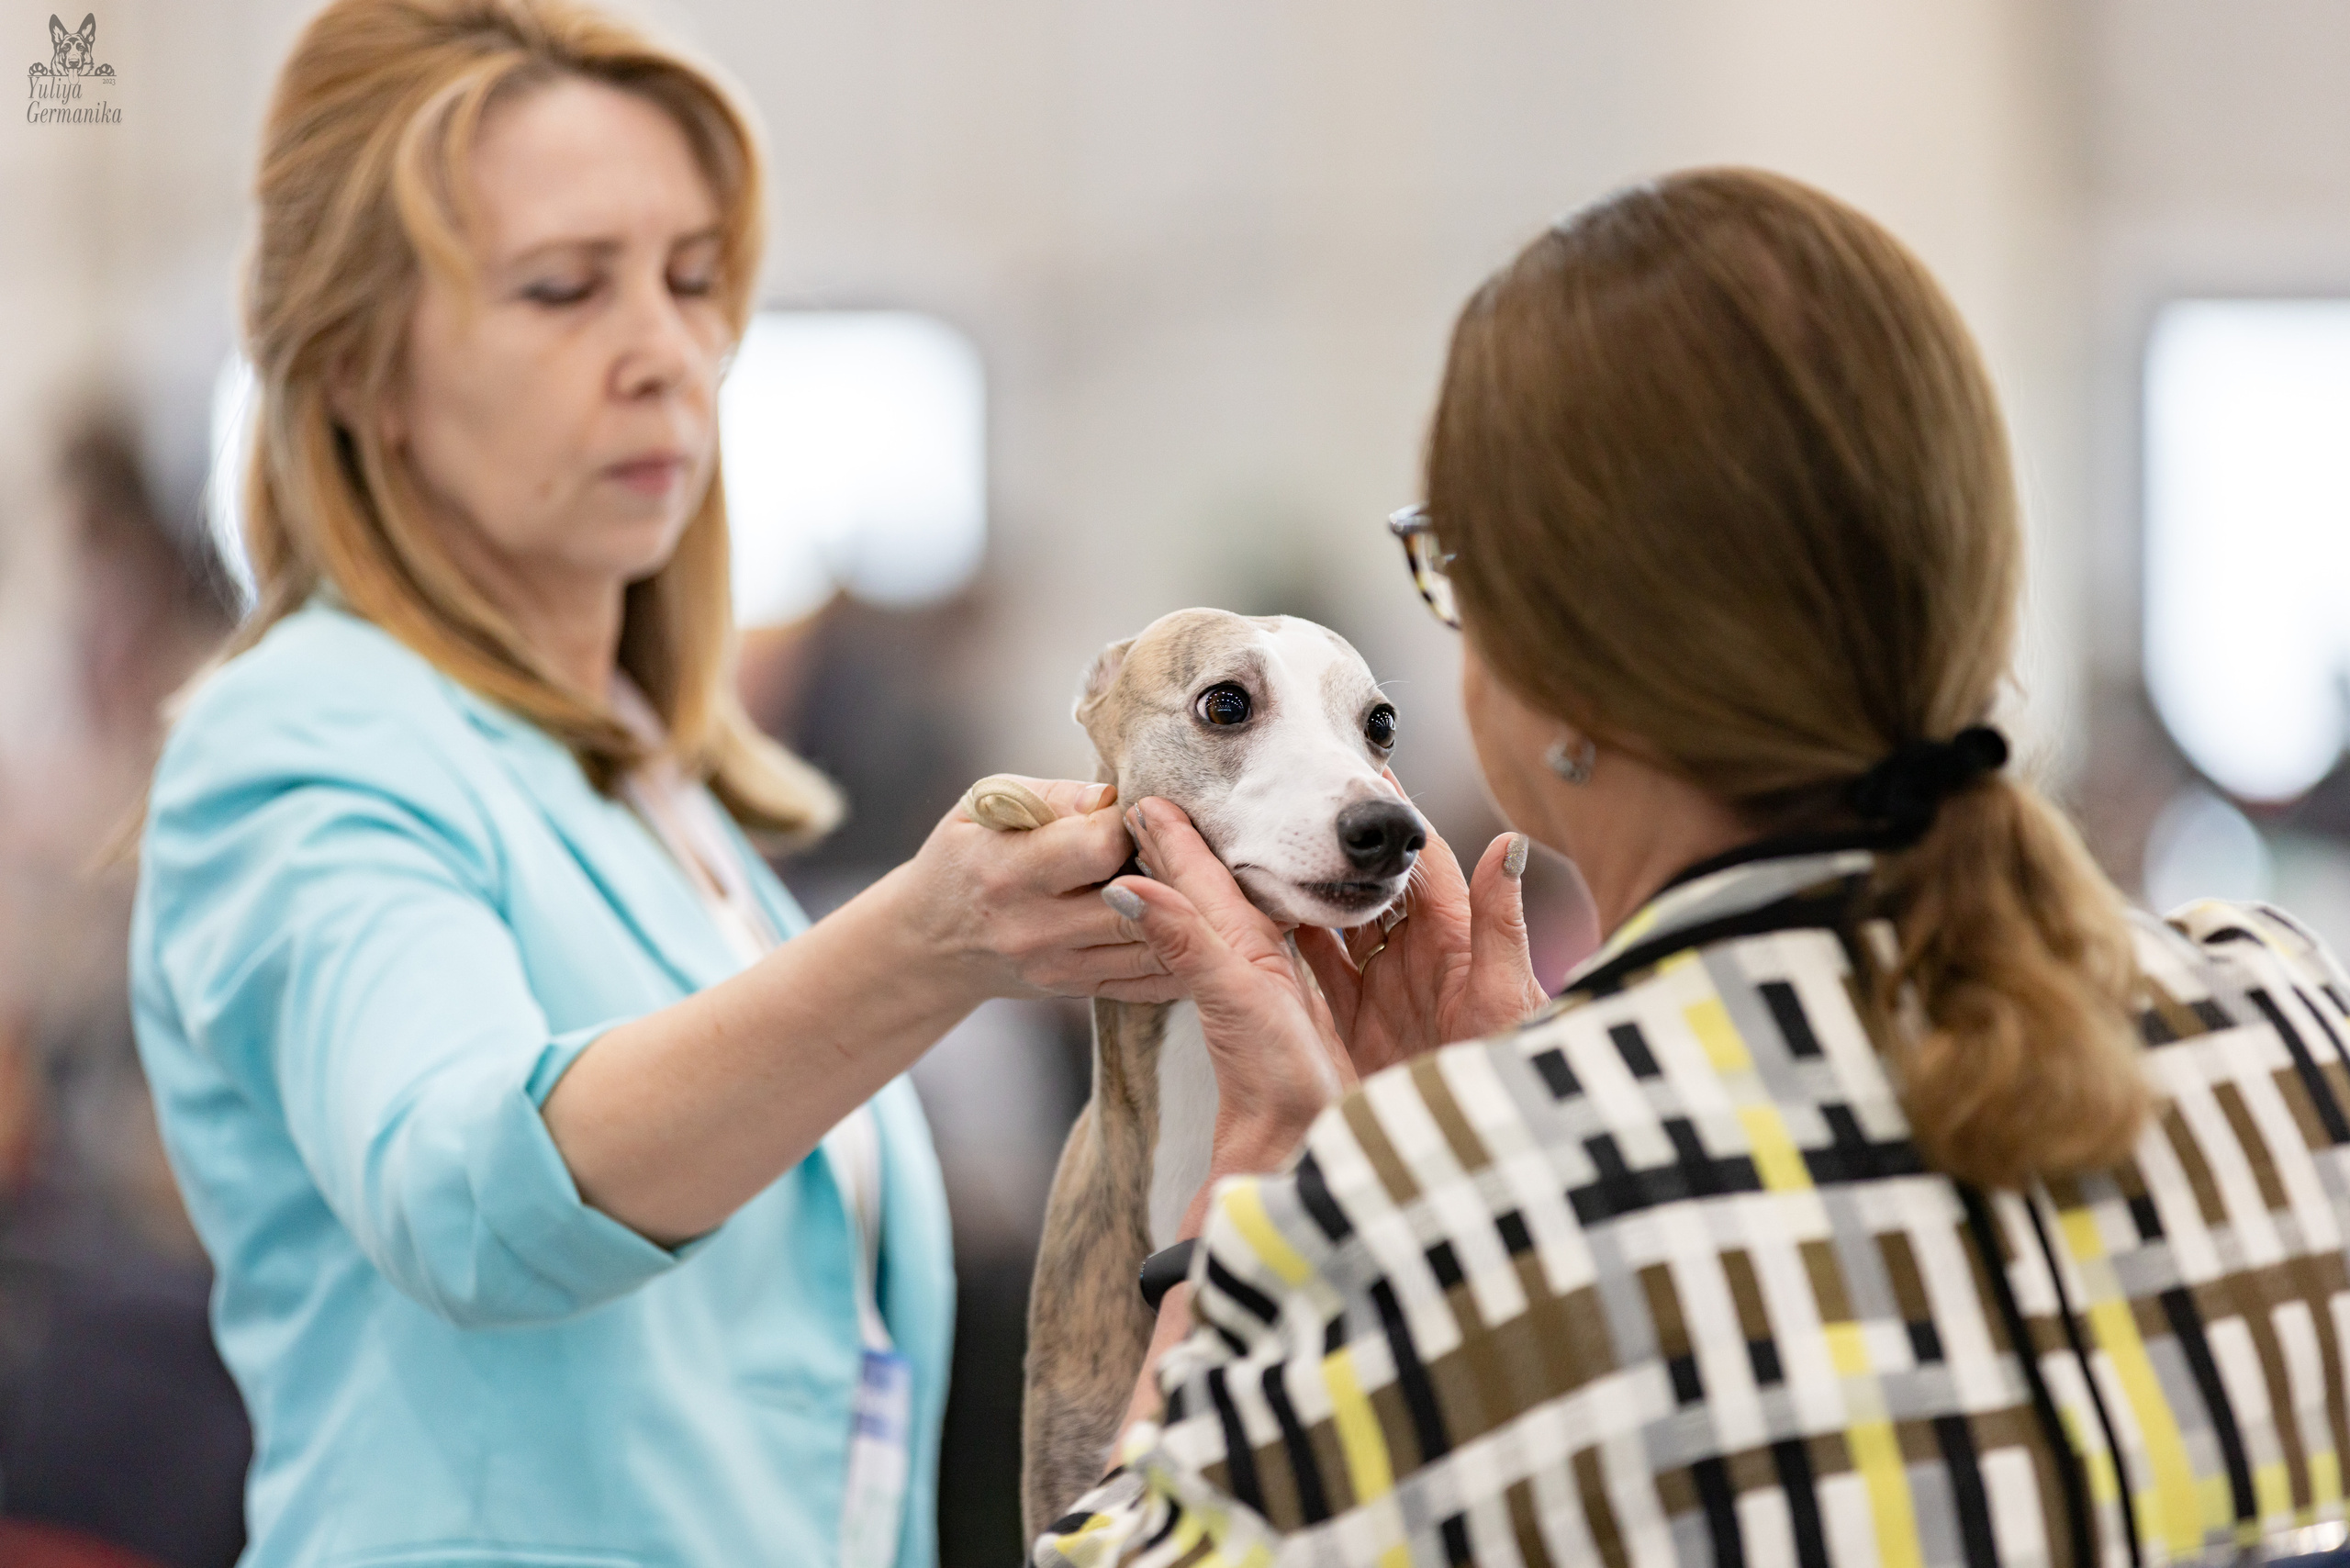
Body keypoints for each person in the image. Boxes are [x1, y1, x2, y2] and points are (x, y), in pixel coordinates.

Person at [1040, 169, 2350, 1565]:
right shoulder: (2289, 1023)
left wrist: (1280, 1189)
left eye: (1455, 574)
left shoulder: (1419, 1212)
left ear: (1556, 676)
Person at [128, 2, 1176, 1563]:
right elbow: (469, 1189)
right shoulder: (302, 738)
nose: (667, 355)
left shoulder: (630, 779)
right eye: (565, 290)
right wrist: (924, 949)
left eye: (694, 281)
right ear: (357, 368)